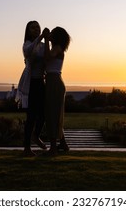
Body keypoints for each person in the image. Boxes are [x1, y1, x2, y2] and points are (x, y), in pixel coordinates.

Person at [16, 20, 49, 156]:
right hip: (30, 84)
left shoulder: (41, 45)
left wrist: (47, 40)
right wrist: (41, 37)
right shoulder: (27, 44)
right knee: (31, 116)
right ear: (28, 31)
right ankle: (27, 148)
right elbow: (29, 52)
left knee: (43, 114)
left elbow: (47, 58)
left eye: (38, 27)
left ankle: (36, 135)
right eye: (33, 27)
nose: (36, 29)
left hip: (41, 82)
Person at [43, 26, 71, 155]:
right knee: (56, 114)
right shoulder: (57, 49)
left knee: (52, 114)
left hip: (53, 82)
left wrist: (46, 40)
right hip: (54, 81)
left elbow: (47, 58)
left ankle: (53, 148)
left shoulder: (57, 48)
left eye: (53, 33)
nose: (51, 34)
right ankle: (63, 144)